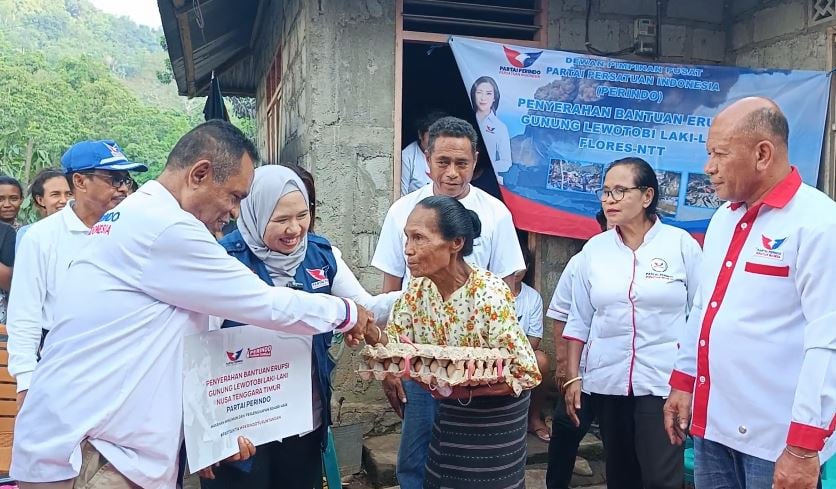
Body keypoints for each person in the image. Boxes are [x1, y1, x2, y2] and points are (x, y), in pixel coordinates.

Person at [10, 121, 373, 489]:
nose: (234, 212)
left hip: (105, 446)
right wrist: (346, 312)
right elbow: (260, 302)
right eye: (234, 196)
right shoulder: (165, 228)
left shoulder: (141, 217)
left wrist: (213, 431)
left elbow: (186, 344)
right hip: (96, 456)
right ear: (200, 174)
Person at [663, 97, 836, 489]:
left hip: (777, 441)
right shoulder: (725, 218)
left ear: (762, 154)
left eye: (719, 154)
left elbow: (829, 341)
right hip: (714, 426)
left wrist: (804, 447)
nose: (708, 167)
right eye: (709, 154)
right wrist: (683, 381)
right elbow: (704, 307)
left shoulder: (819, 224)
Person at [201, 165, 399, 489]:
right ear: (254, 212)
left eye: (302, 215)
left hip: (302, 418)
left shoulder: (322, 256)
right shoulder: (222, 262)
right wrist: (208, 433)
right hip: (241, 427)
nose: (295, 229)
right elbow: (199, 347)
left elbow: (365, 310)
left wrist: (417, 292)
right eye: (280, 220)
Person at [371, 116, 524, 489]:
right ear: (427, 159)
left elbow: (508, 283)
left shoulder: (495, 214)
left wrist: (477, 348)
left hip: (478, 374)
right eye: (443, 162)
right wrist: (394, 366)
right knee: (416, 459)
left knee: (469, 469)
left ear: (475, 162)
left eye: (462, 163)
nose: (452, 172)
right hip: (423, 368)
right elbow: (392, 290)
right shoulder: (404, 212)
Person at [563, 157, 702, 489]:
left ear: (647, 196)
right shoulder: (594, 250)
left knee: (660, 477)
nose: (609, 199)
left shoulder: (681, 245)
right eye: (606, 191)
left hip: (664, 382)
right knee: (621, 474)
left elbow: (700, 314)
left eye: (620, 191)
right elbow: (579, 318)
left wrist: (693, 381)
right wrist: (572, 378)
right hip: (607, 380)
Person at [7, 140, 147, 409]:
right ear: (80, 182)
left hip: (125, 373)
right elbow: (25, 315)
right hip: (63, 370)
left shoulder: (134, 231)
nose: (122, 188)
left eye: (126, 180)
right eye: (113, 178)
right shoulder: (42, 237)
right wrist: (26, 380)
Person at [545, 210, 609, 489]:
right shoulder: (582, 262)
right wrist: (563, 367)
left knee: (622, 442)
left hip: (624, 377)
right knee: (565, 430)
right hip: (580, 372)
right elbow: (561, 314)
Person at [510, 244, 551, 442]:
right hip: (491, 354)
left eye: (520, 266)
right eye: (512, 265)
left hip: (522, 352)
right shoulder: (490, 293)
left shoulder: (532, 297)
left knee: (541, 360)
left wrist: (516, 355)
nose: (516, 271)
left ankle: (534, 418)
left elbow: (534, 338)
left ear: (527, 267)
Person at [15, 168, 73, 250]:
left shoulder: (89, 230)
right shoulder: (29, 233)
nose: (64, 200)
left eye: (69, 194)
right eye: (55, 194)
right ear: (40, 200)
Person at [470, 76, 512, 184]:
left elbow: (506, 162)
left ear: (494, 97)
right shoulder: (465, 120)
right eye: (479, 92)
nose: (483, 98)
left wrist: (485, 165)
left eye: (488, 93)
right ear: (473, 94)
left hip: (487, 178)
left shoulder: (500, 127)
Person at [401, 110, 446, 196]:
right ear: (420, 135)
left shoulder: (449, 154)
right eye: (432, 136)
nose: (436, 142)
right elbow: (402, 196)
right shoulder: (407, 156)